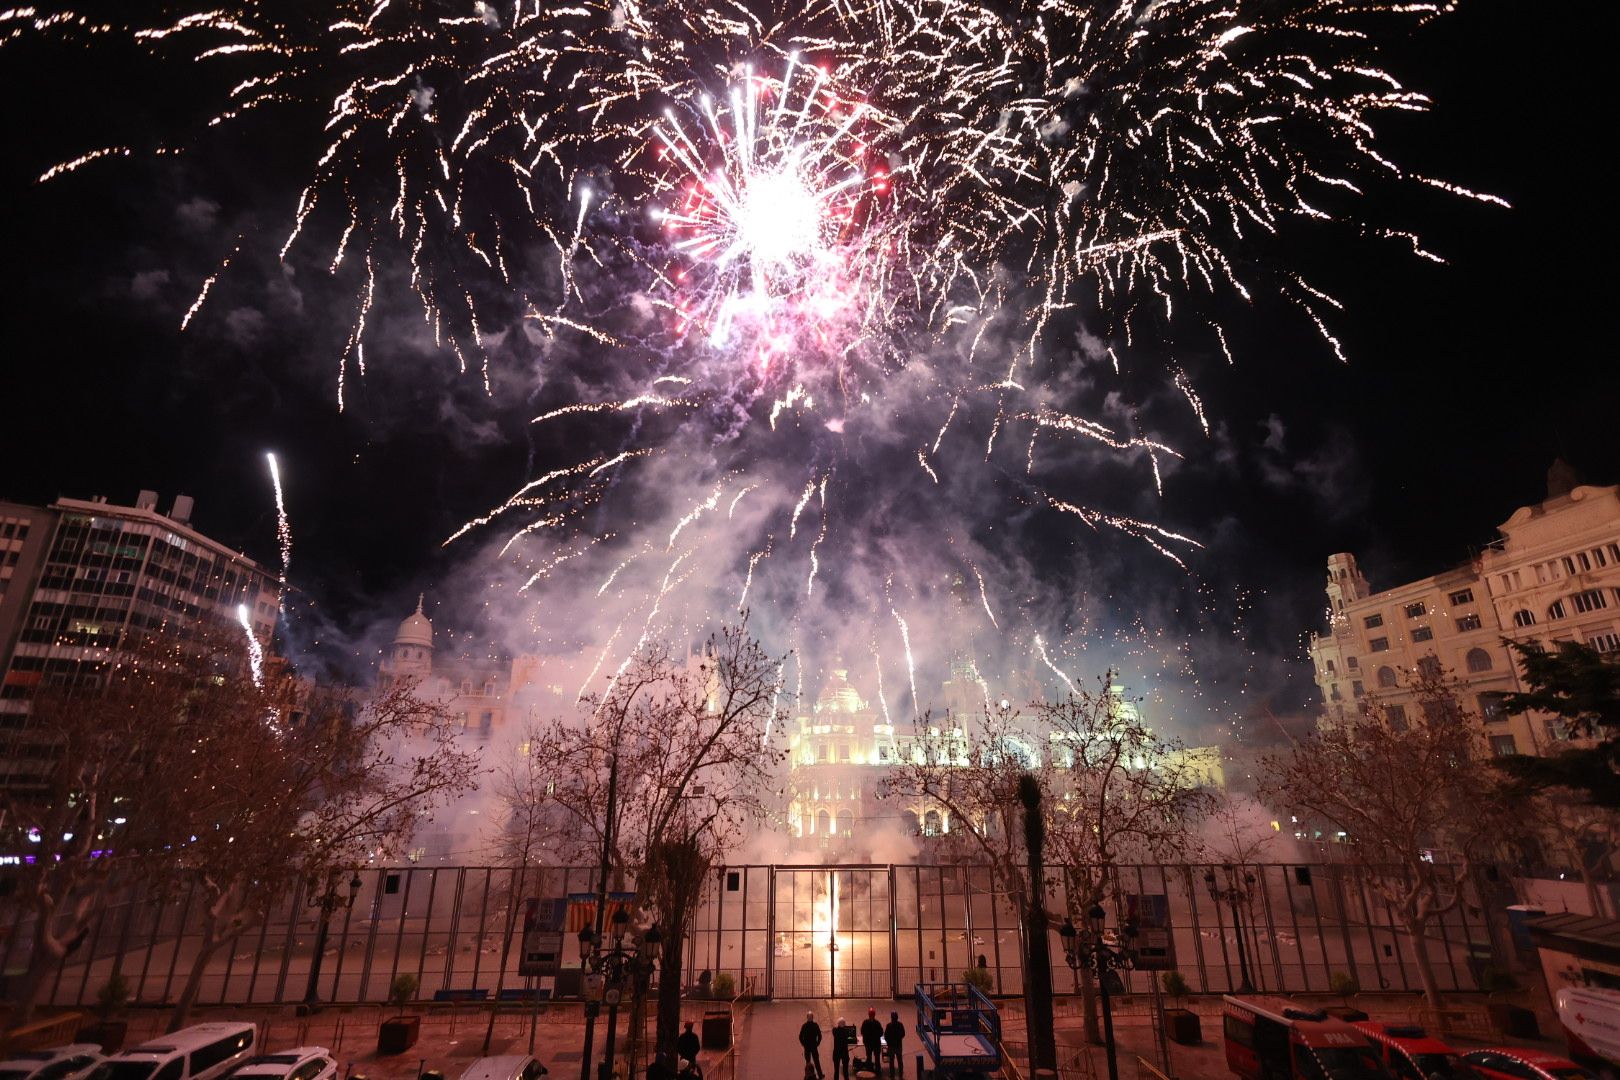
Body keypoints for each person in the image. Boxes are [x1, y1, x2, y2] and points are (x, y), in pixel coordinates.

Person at [799, 1011, 824, 1080]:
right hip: (814, 1046)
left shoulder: (804, 1026)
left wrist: (803, 1044)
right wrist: (817, 1043)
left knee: (808, 1062)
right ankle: (820, 1075)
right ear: (812, 1017)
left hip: (807, 1047)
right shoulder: (815, 1025)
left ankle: (808, 1076)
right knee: (816, 1061)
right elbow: (820, 1036)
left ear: (807, 1018)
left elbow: (800, 1036)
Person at [883, 1012, 907, 1080]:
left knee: (891, 1061)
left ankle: (892, 1074)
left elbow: (886, 1036)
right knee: (900, 1060)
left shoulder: (889, 1025)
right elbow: (903, 1034)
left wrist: (888, 1042)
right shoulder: (900, 1025)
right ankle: (900, 1073)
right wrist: (898, 1039)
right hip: (898, 1046)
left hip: (891, 1046)